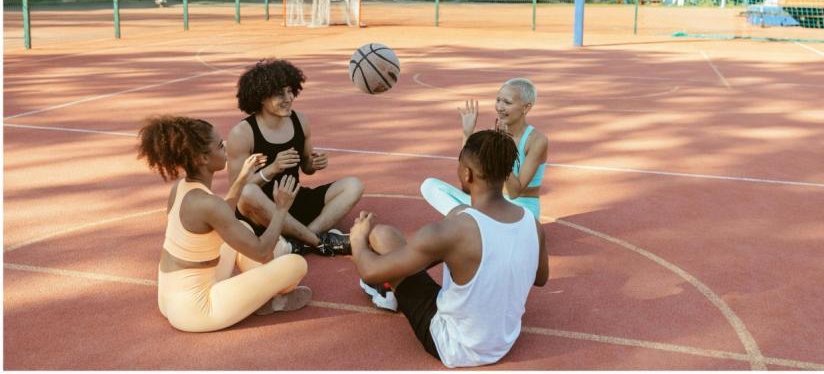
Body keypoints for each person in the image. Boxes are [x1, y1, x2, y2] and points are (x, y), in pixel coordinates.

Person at [351, 130, 549, 368]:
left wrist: (358, 239)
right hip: (504, 340)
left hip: (454, 345)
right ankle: (392, 285)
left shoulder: (454, 231)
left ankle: (387, 291)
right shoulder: (532, 223)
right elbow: (540, 278)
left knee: (377, 235)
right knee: (388, 237)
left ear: (466, 173)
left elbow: (369, 270)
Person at [138, 115, 311, 333]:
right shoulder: (208, 204)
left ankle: (262, 295)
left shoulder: (182, 188)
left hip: (169, 298)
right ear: (203, 158)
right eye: (220, 145)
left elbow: (221, 217)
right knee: (295, 264)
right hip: (197, 310)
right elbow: (263, 252)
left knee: (243, 229)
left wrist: (241, 179)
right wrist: (280, 209)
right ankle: (269, 297)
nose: (226, 147)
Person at [227, 58, 364, 256]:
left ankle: (300, 242)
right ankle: (319, 241)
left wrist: (313, 163)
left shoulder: (300, 121)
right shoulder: (242, 133)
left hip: (293, 198)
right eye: (279, 93)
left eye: (290, 91)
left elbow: (307, 168)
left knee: (354, 185)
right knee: (248, 193)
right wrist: (271, 169)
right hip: (261, 209)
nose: (288, 98)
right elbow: (236, 192)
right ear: (261, 98)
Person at [421, 77, 548, 219]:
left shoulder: (536, 140)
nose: (499, 107)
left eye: (507, 102)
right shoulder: (492, 135)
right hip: (491, 205)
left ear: (526, 107)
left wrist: (500, 147)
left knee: (478, 218)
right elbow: (468, 180)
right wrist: (467, 134)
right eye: (498, 100)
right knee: (430, 186)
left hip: (522, 211)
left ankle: (473, 223)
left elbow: (514, 192)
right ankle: (475, 222)